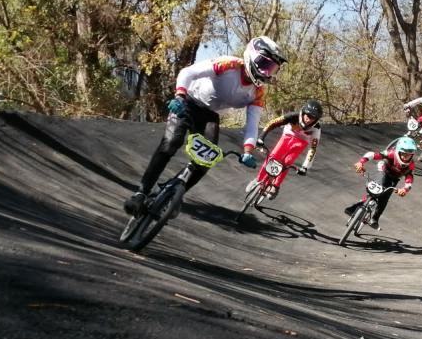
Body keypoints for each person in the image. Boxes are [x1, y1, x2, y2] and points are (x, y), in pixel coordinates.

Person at [124, 36, 287, 216]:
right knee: (171, 142)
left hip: (210, 116)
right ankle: (141, 193)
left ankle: (173, 196)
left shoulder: (258, 92)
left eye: (271, 69)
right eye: (263, 64)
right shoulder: (228, 64)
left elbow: (252, 125)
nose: (265, 72)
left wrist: (248, 150)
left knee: (207, 159)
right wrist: (179, 95)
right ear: (250, 55)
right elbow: (188, 73)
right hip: (188, 101)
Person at [245, 100, 323, 200]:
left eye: (313, 118)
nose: (309, 119)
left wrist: (305, 167)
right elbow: (272, 123)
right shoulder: (292, 116)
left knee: (287, 162)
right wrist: (261, 138)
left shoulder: (316, 128)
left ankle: (275, 186)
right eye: (308, 115)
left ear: (316, 119)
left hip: (301, 142)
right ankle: (258, 179)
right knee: (273, 157)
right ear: (303, 113)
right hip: (288, 135)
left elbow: (312, 149)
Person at [343, 136, 417, 230]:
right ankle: (354, 207)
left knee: (385, 198)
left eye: (409, 155)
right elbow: (372, 155)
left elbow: (409, 179)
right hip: (383, 170)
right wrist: (361, 162)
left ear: (412, 155)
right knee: (376, 189)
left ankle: (375, 219)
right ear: (398, 151)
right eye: (403, 154)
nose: (405, 157)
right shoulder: (391, 153)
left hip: (394, 178)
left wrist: (405, 189)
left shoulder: (411, 165)